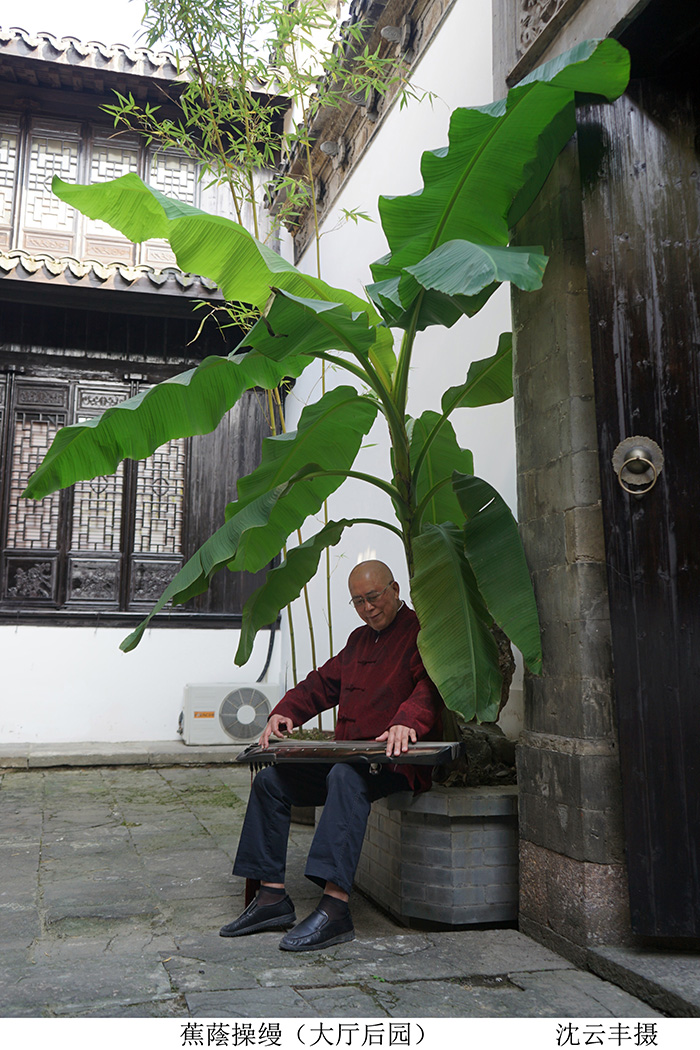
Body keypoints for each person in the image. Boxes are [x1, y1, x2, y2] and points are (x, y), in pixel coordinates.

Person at [219, 559, 444, 952]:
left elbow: (432, 685)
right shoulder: (358, 640)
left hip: (392, 759)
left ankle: (336, 908)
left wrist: (407, 720)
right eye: (358, 602)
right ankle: (271, 897)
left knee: (345, 776)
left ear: (394, 590)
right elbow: (321, 684)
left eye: (373, 598)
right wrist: (284, 712)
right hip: (347, 756)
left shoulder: (421, 633)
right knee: (271, 781)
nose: (367, 608)